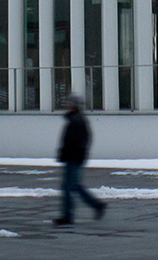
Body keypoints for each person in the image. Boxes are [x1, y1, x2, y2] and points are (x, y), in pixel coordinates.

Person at [53, 92, 107, 226]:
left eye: (69, 102)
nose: (67, 104)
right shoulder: (76, 119)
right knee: (73, 186)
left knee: (69, 187)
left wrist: (69, 153)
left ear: (74, 105)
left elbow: (76, 141)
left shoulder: (77, 120)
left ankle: (68, 216)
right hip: (74, 157)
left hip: (74, 158)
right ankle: (96, 205)